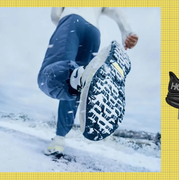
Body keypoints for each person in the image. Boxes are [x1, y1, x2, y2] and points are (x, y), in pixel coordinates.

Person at [37, 7, 138, 155]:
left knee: (48, 77)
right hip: (93, 32)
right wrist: (127, 32)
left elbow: (55, 14)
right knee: (77, 85)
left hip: (71, 22)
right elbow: (116, 11)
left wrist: (61, 23)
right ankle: (82, 76)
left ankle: (59, 141)